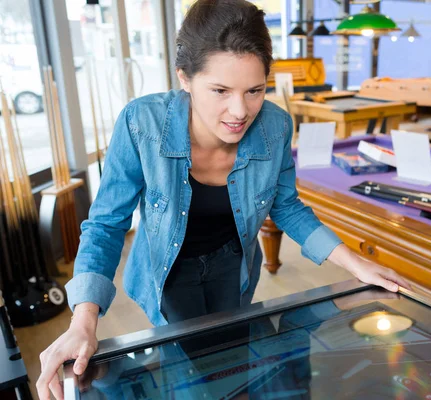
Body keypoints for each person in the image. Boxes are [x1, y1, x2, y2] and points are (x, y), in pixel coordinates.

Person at [36, 1, 410, 399]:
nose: (239, 111)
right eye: (220, 90)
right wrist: (83, 321)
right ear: (184, 77)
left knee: (234, 361)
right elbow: (106, 225)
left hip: (233, 264)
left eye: (255, 90)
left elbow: (287, 207)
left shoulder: (276, 126)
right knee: (189, 378)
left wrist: (356, 263)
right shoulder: (141, 123)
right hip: (167, 272)